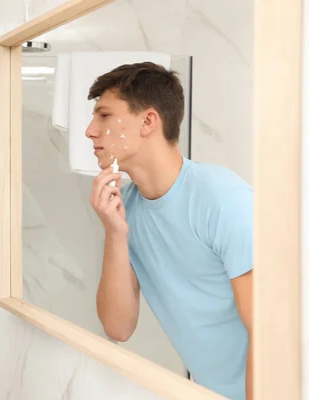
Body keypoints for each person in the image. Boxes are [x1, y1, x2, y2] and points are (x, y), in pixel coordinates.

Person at [87, 62, 252, 400]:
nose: (90, 130)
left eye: (103, 116)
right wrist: (115, 233)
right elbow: (117, 327)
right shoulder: (126, 209)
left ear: (148, 121)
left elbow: (269, 333)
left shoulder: (223, 199)